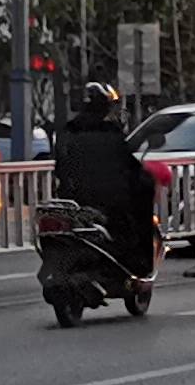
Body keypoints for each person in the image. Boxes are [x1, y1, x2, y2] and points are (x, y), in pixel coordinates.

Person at [52, 84, 158, 280]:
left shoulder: (68, 131)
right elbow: (128, 164)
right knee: (139, 206)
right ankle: (140, 265)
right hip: (108, 200)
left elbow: (60, 166)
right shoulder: (109, 132)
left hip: (73, 197)